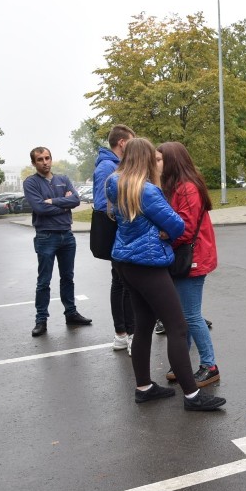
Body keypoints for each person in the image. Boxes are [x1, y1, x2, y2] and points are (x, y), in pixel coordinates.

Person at [106, 137, 225, 411]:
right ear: (146, 159)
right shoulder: (147, 191)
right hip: (148, 264)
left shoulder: (115, 183)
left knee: (144, 325)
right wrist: (161, 229)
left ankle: (144, 387)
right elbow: (175, 225)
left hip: (126, 262)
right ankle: (192, 396)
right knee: (178, 326)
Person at [157, 141, 221, 388]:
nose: (156, 164)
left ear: (172, 161)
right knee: (181, 316)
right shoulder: (174, 187)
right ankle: (182, 363)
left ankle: (210, 365)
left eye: (160, 159)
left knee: (191, 315)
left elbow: (184, 229)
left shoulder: (187, 188)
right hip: (183, 258)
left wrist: (163, 235)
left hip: (192, 259)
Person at [23, 147, 92, 337]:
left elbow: (77, 200)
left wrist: (52, 201)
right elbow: (39, 208)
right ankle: (41, 320)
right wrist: (63, 203)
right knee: (44, 281)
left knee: (67, 277)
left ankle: (71, 313)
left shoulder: (63, 179)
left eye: (47, 158)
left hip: (67, 236)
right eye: (40, 159)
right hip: (46, 236)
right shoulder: (31, 183)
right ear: (34, 163)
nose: (45, 162)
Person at [93, 124, 135, 353]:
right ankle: (126, 334)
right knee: (123, 283)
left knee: (120, 282)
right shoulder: (107, 167)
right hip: (116, 233)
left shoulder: (112, 165)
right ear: (122, 143)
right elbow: (102, 204)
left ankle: (123, 334)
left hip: (118, 233)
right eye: (132, 140)